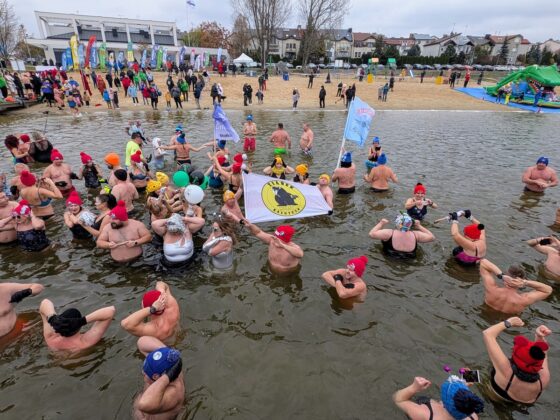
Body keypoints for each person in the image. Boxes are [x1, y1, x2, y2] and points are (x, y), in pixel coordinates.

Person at [483, 317, 551, 404]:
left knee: (466, 372)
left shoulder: (505, 369)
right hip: (520, 405)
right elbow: (543, 353)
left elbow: (488, 334)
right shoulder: (544, 378)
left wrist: (508, 323)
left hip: (494, 398)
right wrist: (539, 336)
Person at [134, 337, 185, 419]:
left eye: (146, 372)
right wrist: (164, 352)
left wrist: (166, 378)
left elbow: (143, 404)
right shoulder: (171, 364)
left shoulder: (173, 392)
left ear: (157, 377)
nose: (143, 372)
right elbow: (141, 342)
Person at [394, 375, 484, 420]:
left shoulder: (424, 413)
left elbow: (398, 400)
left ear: (444, 402)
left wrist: (414, 388)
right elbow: (463, 401)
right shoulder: (473, 416)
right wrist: (464, 386)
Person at [39, 298, 115, 352]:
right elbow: (110, 311)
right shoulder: (84, 343)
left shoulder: (51, 337)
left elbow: (44, 302)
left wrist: (53, 318)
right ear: (79, 327)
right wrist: (82, 321)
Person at [479, 259, 552, 314]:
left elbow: (483, 262)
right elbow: (548, 290)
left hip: (486, 313)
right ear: (522, 279)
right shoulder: (524, 300)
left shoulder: (491, 289)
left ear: (507, 274)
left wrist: (502, 276)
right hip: (507, 322)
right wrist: (525, 282)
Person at [369, 215, 435, 259]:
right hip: (409, 260)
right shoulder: (416, 235)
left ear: (397, 223)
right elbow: (432, 237)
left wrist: (381, 223)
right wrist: (419, 226)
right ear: (410, 225)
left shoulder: (389, 233)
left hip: (390, 258)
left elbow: (371, 234)